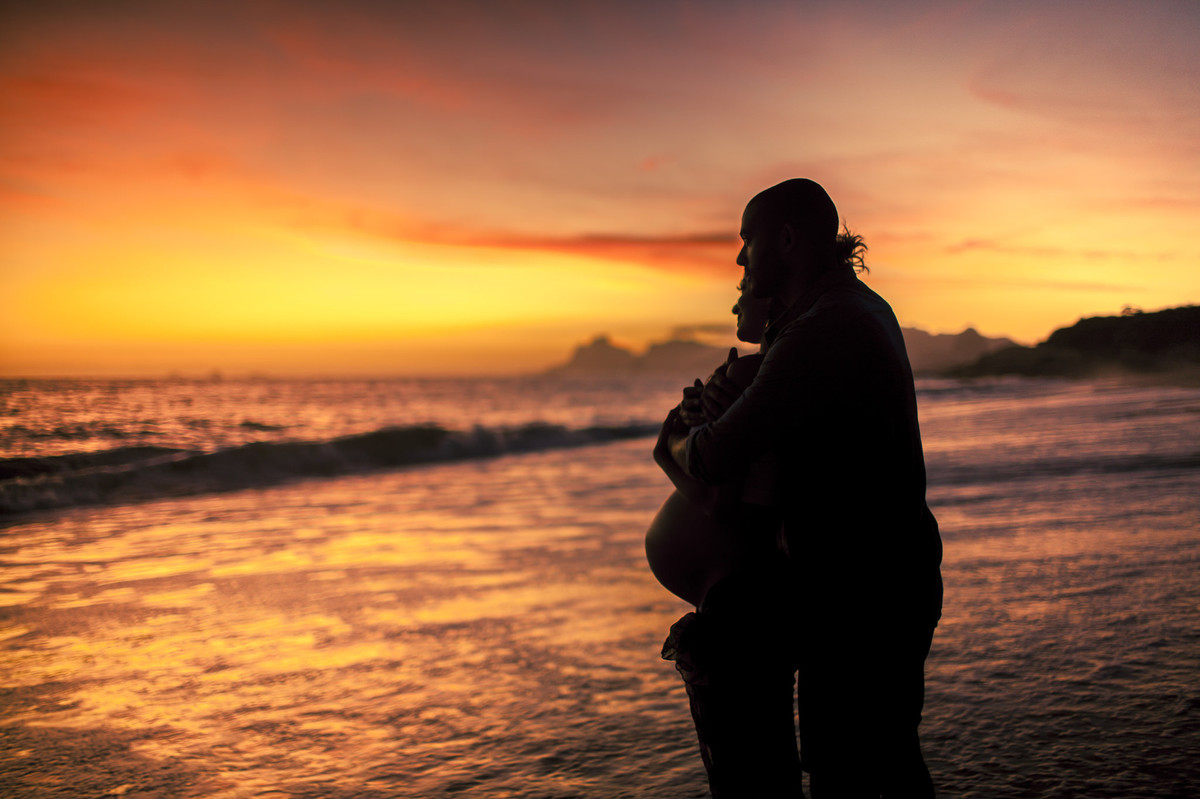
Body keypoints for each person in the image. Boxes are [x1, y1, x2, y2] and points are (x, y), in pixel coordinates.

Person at [660, 178, 943, 798]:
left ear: (785, 240)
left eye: (747, 241)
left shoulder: (826, 328)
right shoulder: (837, 313)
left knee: (864, 770)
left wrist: (675, 433)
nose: (739, 259)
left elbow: (711, 460)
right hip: (863, 582)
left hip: (868, 594)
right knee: (868, 762)